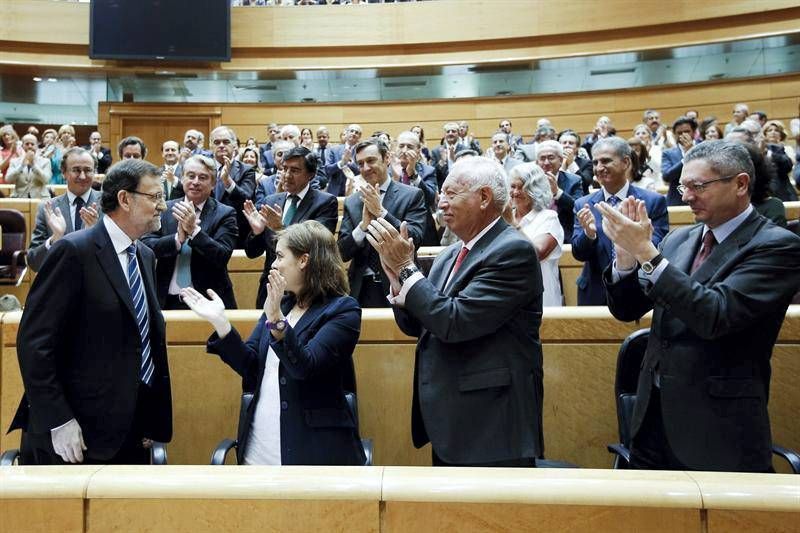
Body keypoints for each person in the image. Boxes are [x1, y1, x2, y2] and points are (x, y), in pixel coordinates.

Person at [600, 140, 800, 472]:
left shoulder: (777, 246)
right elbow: (626, 309)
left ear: (740, 184)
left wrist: (648, 254)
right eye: (683, 186)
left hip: (717, 427)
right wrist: (625, 256)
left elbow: (716, 315)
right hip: (652, 419)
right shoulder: (681, 239)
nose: (686, 196)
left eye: (698, 186)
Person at [364, 156, 543, 466]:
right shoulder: (450, 255)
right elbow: (421, 324)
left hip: (491, 427)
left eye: (451, 194)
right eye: (440, 195)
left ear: (484, 197)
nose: (441, 204)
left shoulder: (513, 250)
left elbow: (454, 321)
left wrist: (408, 269)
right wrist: (397, 281)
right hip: (450, 418)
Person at [10, 158, 173, 465]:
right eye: (155, 197)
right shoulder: (74, 251)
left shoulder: (146, 255)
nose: (162, 206)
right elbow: (34, 344)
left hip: (130, 431)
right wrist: (58, 419)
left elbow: (143, 339)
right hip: (74, 435)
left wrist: (148, 413)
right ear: (124, 199)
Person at [181, 220, 366, 465]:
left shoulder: (343, 310)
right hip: (259, 447)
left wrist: (276, 320)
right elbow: (251, 367)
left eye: (280, 256)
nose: (274, 264)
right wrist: (221, 324)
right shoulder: (284, 304)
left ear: (304, 260)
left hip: (314, 452)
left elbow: (305, 367)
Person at [572, 137, 669, 306]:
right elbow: (579, 254)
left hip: (640, 290)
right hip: (595, 292)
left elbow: (660, 248)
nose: (599, 168)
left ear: (625, 162)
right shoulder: (583, 204)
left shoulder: (652, 201)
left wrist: (634, 236)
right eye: (595, 162)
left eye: (606, 161)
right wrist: (589, 235)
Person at [244, 146, 338, 309]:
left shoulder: (325, 202)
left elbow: (317, 247)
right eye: (284, 168)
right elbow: (252, 253)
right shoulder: (271, 200)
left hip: (307, 290)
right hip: (271, 287)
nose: (287, 175)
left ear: (311, 175)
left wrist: (280, 228)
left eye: (294, 170)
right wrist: (257, 233)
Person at [337, 138, 427, 308]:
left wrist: (381, 213)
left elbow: (415, 238)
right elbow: (342, 252)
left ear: (387, 159)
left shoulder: (412, 195)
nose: (365, 168)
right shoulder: (352, 202)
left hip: (400, 284)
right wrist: (362, 227)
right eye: (360, 163)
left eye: (371, 161)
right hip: (361, 287)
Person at [141, 155, 238, 310]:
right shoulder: (164, 208)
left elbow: (222, 256)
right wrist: (177, 240)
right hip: (166, 299)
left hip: (209, 301)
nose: (195, 182)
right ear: (182, 178)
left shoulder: (225, 213)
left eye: (203, 177)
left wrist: (194, 231)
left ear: (213, 183)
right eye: (191, 176)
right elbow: (145, 246)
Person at [26, 147, 103, 272]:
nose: (82, 176)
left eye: (88, 170)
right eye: (76, 170)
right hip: (60, 286)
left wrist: (95, 235)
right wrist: (55, 239)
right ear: (63, 172)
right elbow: (34, 262)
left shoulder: (108, 205)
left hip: (97, 287)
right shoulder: (48, 208)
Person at [510, 164, 563, 306]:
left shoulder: (548, 218)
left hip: (541, 299)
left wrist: (513, 225)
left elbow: (536, 254)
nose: (514, 192)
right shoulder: (505, 218)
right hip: (509, 298)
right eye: (512, 186)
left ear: (534, 190)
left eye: (520, 187)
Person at [210, 125, 257, 247]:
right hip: (207, 230)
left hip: (235, 231)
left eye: (226, 142)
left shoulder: (247, 170)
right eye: (217, 142)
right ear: (211, 146)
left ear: (234, 145)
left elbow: (247, 198)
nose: (221, 145)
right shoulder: (203, 169)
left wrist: (228, 182)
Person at [535, 140, 582, 242]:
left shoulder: (574, 181)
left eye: (551, 158)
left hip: (564, 236)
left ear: (560, 160)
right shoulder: (529, 182)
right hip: (535, 235)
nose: (546, 162)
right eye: (542, 158)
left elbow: (579, 208)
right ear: (536, 162)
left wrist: (557, 193)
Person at [661, 115, 698, 206]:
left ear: (694, 132)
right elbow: (666, 176)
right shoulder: (668, 153)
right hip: (677, 201)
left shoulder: (704, 149)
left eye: (687, 131)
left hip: (701, 199)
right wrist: (687, 157)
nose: (683, 135)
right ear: (674, 134)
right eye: (679, 132)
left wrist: (693, 151)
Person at [5, 133, 52, 198]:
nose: (30, 146)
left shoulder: (46, 161)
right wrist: (21, 166)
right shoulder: (14, 161)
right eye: (27, 144)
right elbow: (8, 179)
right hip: (20, 197)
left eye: (32, 144)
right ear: (22, 146)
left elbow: (46, 180)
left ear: (36, 145)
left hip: (40, 197)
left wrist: (34, 165)